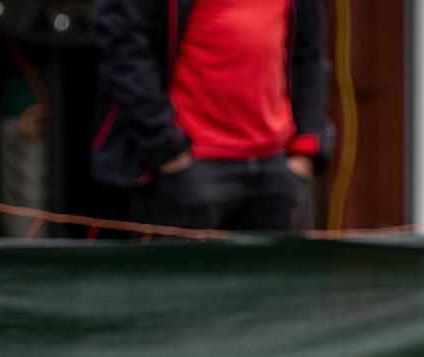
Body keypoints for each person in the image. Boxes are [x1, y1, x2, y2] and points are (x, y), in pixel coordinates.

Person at [91, 0, 332, 231]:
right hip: (189, 167)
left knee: (269, 274)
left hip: (274, 168)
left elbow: (309, 54)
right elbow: (124, 48)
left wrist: (306, 151)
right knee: (179, 274)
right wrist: (167, 151)